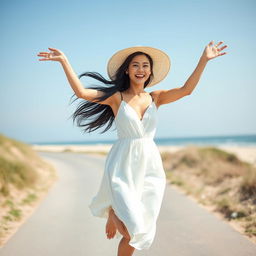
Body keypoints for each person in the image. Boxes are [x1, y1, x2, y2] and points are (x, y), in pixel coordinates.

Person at [37, 41, 228, 256]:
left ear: (150, 71)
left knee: (140, 231)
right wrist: (64, 61)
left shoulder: (156, 97)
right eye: (135, 65)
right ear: (127, 70)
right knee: (130, 230)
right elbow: (82, 92)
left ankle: (114, 213)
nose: (141, 70)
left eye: (145, 65)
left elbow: (187, 90)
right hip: (123, 163)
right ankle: (114, 212)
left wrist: (204, 60)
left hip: (150, 167)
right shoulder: (116, 98)